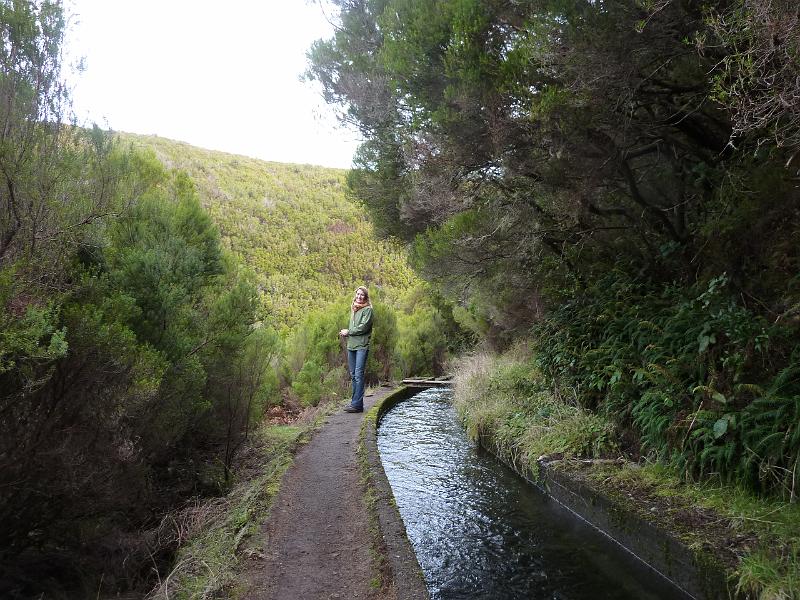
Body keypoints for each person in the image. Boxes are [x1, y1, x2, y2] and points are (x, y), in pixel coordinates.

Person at [339, 286, 373, 413]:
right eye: (358, 294)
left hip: (362, 346)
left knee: (358, 375)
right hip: (351, 346)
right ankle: (355, 403)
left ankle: (357, 405)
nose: (359, 296)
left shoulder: (368, 310)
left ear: (366, 297)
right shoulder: (354, 308)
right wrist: (346, 333)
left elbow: (362, 328)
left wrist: (348, 332)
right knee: (353, 375)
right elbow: (354, 328)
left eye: (362, 295)